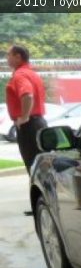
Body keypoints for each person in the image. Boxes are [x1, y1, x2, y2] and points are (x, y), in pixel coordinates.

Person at [5, 45, 48, 174]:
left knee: (33, 167)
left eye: (8, 55)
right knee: (41, 167)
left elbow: (27, 95)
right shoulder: (32, 74)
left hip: (29, 126)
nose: (7, 58)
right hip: (38, 123)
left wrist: (24, 117)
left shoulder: (20, 75)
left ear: (18, 57)